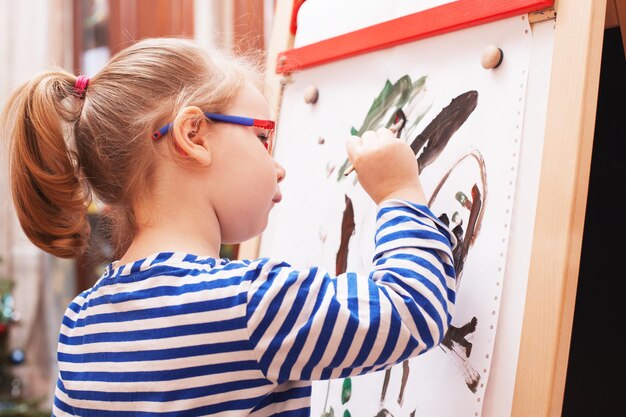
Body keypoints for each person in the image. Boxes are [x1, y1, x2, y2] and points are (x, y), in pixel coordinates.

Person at [2, 38, 457, 416]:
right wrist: (399, 193)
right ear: (193, 136)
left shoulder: (81, 324)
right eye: (263, 137)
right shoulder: (251, 304)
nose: (278, 167)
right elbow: (412, 310)